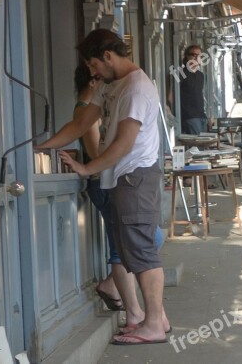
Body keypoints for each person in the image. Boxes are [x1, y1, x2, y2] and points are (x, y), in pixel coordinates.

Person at [39, 29, 170, 345]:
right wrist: (40, 147)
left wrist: (86, 167)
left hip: (134, 176)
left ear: (108, 56)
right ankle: (156, 320)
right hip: (122, 179)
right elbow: (80, 125)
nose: (92, 73)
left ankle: (153, 323)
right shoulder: (113, 85)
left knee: (141, 250)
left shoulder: (137, 88)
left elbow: (124, 143)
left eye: (94, 65)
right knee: (130, 251)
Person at [72, 64, 165, 330]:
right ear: (93, 81)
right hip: (105, 179)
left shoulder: (125, 93)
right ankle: (136, 312)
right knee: (126, 245)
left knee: (135, 241)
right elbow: (95, 149)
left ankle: (149, 314)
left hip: (116, 176)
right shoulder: (86, 110)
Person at [179, 45, 206, 134]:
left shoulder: (200, 75)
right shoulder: (181, 73)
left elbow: (200, 94)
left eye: (199, 55)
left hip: (202, 115)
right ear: (187, 56)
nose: (196, 58)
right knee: (197, 146)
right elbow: (171, 96)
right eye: (193, 55)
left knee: (204, 144)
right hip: (189, 116)